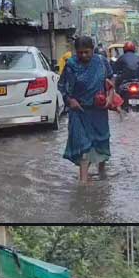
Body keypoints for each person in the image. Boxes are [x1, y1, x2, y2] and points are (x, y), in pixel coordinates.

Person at [58, 36, 113, 184]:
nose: (83, 55)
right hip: (79, 111)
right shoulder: (71, 65)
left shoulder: (101, 62)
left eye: (86, 52)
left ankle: (102, 174)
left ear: (93, 49)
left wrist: (110, 96)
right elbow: (62, 86)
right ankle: (83, 182)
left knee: (101, 142)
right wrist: (70, 100)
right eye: (80, 53)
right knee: (83, 145)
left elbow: (110, 80)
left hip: (99, 111)